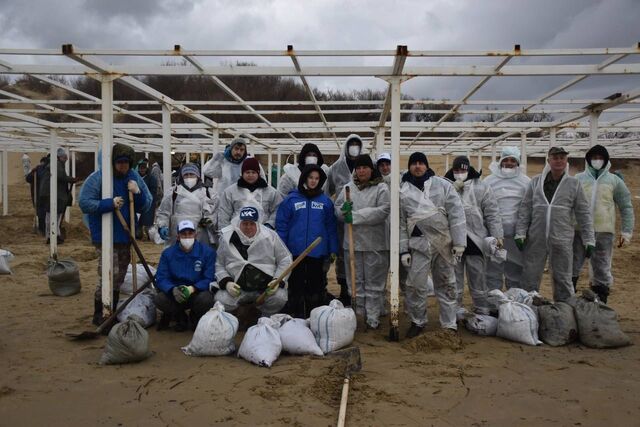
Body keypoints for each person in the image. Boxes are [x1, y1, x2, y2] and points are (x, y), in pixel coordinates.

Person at [79, 143, 152, 326]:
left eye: (126, 162)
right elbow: (85, 203)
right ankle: (101, 313)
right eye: (119, 162)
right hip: (105, 236)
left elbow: (146, 203)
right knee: (108, 275)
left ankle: (112, 311)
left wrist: (138, 192)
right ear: (112, 162)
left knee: (119, 277)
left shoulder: (133, 177)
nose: (122, 166)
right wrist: (108, 204)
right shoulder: (98, 178)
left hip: (125, 235)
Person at [515, 147, 595, 302]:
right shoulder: (536, 182)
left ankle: (564, 310)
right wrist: (521, 232)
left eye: (562, 158)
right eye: (555, 158)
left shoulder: (574, 184)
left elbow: (584, 214)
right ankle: (527, 310)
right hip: (536, 238)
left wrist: (589, 239)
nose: (559, 161)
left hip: (562, 238)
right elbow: (525, 208)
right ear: (548, 160)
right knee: (530, 274)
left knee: (563, 276)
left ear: (566, 161)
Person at [399, 152, 466, 337]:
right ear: (410, 166)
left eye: (421, 163)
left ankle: (449, 324)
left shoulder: (443, 185)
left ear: (426, 166)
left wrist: (459, 242)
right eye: (414, 163)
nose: (417, 166)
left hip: (443, 243)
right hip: (418, 245)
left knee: (446, 283)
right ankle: (418, 321)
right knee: (415, 285)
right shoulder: (402, 190)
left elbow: (457, 213)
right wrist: (403, 249)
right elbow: (400, 223)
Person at [572, 144, 634, 303]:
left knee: (601, 267)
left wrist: (626, 232)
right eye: (594, 157)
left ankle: (601, 300)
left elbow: (626, 206)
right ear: (588, 160)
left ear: (606, 160)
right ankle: (568, 298)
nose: (597, 160)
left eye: (600, 158)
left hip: (603, 232)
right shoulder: (578, 179)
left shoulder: (614, 181)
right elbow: (568, 204)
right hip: (578, 230)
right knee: (572, 264)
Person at [334, 155, 390, 330]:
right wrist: (343, 212)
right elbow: (337, 209)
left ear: (371, 169)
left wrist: (356, 216)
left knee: (374, 282)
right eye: (358, 168)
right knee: (355, 281)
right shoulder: (348, 188)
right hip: (353, 244)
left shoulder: (381, 187)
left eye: (365, 167)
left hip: (375, 243)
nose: (362, 171)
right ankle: (359, 313)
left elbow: (383, 210)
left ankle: (372, 316)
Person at [276, 164, 339, 318]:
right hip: (295, 253)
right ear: (304, 178)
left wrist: (333, 249)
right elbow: (282, 226)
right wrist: (281, 248)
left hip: (317, 253)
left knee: (315, 287)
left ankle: (314, 317)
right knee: (296, 286)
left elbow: (331, 227)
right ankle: (295, 317)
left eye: (317, 178)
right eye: (310, 177)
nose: (313, 181)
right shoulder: (291, 200)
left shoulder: (325, 202)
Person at [444, 156, 503, 316]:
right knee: (453, 279)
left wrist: (497, 235)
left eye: (462, 170)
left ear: (468, 169)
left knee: (478, 277)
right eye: (456, 170)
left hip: (476, 241)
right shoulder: (445, 186)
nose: (459, 173)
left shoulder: (482, 187)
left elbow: (492, 213)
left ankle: (482, 309)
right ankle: (453, 312)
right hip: (453, 241)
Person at [214, 207, 292, 317]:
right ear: (239, 223)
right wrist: (227, 282)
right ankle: (235, 319)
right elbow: (219, 264)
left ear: (258, 223)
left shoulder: (270, 236)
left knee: (280, 297)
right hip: (238, 289)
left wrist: (277, 280)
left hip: (265, 289)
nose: (248, 227)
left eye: (252, 223)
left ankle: (266, 318)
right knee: (220, 299)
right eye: (245, 223)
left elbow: (285, 259)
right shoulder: (227, 237)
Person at [154, 220, 217, 331]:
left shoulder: (207, 252)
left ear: (195, 235)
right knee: (160, 299)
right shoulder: (168, 254)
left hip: (196, 292)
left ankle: (195, 316)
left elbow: (209, 277)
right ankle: (179, 316)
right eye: (183, 234)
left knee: (207, 299)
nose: (187, 237)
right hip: (176, 294)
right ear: (178, 237)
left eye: (190, 234)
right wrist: (172, 289)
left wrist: (193, 288)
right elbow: (161, 277)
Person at [483, 147, 531, 292]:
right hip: (493, 235)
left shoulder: (526, 182)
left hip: (517, 236)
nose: (509, 163)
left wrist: (522, 232)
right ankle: (494, 305)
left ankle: (514, 302)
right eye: (506, 160)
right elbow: (484, 206)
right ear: (500, 161)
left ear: (518, 162)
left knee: (515, 269)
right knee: (493, 270)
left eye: (513, 160)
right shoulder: (489, 181)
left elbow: (528, 208)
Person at [326, 134, 364, 304]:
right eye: (351, 144)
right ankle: (344, 291)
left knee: (362, 256)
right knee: (343, 255)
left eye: (357, 144)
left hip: (363, 219)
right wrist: (335, 210)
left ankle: (361, 292)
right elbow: (328, 191)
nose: (354, 147)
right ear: (346, 147)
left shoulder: (365, 165)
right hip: (343, 220)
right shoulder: (336, 167)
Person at [156, 163, 218, 246]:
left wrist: (209, 220)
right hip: (177, 235)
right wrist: (162, 226)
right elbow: (163, 212)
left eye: (192, 174)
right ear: (182, 176)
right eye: (186, 175)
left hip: (201, 235)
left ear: (197, 176)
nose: (189, 177)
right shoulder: (173, 193)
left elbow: (215, 211)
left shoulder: (208, 193)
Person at [218, 157, 282, 230]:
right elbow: (223, 214)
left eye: (253, 172)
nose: (250, 175)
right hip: (236, 233)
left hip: (263, 234)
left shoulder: (271, 192)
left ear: (258, 173)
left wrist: (269, 224)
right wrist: (227, 233)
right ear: (242, 173)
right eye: (247, 172)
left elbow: (278, 210)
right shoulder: (230, 192)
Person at [39, 148, 78, 244]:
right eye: (65, 157)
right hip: (51, 194)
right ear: (60, 157)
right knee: (52, 215)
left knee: (54, 215)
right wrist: (71, 179)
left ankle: (54, 234)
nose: (66, 159)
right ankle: (52, 236)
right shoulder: (56, 164)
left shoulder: (56, 164)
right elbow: (61, 176)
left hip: (53, 193)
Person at [135, 159, 160, 240]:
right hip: (137, 201)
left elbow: (153, 191)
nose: (142, 170)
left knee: (147, 219)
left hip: (148, 201)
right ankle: (138, 234)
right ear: (138, 169)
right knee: (138, 219)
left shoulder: (151, 178)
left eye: (144, 168)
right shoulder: (136, 177)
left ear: (146, 169)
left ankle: (147, 234)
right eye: (141, 168)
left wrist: (149, 199)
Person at [25, 156, 49, 235]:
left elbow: (28, 178)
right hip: (39, 194)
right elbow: (28, 179)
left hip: (40, 194)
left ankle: (43, 228)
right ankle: (42, 228)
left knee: (42, 212)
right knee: (42, 212)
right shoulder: (39, 170)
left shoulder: (42, 169)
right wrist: (33, 172)